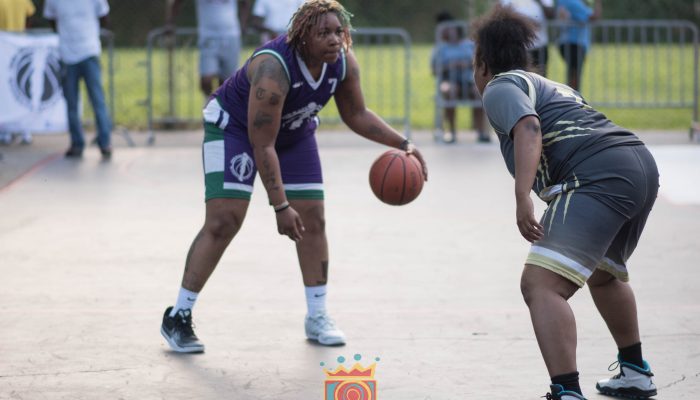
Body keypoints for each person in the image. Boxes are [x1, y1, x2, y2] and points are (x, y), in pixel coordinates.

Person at [160, 0, 428, 353]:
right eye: (324, 33)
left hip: (293, 131)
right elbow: (262, 144)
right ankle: (178, 315)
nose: (335, 40)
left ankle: (317, 314)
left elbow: (357, 114)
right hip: (235, 130)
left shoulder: (342, 62)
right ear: (302, 37)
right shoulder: (274, 69)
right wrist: (280, 205)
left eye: (338, 31)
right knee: (225, 220)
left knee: (314, 219)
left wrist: (404, 143)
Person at [472, 5, 658, 400]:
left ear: (482, 64)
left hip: (601, 174)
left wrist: (522, 195)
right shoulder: (552, 85)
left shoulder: (500, 86)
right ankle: (635, 371)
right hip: (639, 164)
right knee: (604, 274)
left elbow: (529, 128)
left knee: (540, 284)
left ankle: (567, 391)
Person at [43, 0, 113, 159]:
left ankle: (104, 141)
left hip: (89, 51)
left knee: (97, 99)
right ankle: (77, 143)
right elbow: (51, 19)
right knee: (71, 103)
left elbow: (104, 17)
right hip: (67, 55)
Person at [167, 0, 251, 97]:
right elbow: (177, 3)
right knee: (206, 80)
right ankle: (209, 101)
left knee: (227, 81)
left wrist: (243, 23)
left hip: (231, 36)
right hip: (208, 37)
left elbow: (245, 3)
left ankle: (221, 106)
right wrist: (170, 22)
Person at [431, 11, 488, 144]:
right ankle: (451, 132)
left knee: (478, 92)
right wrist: (449, 66)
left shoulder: (469, 45)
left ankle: (481, 131)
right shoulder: (440, 48)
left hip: (469, 81)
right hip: (449, 80)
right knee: (449, 91)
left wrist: (468, 64)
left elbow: (481, 63)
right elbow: (434, 70)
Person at [0, 0, 36, 145]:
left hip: (5, 48)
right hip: (20, 47)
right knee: (21, 88)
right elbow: (30, 15)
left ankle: (8, 130)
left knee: (6, 89)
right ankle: (23, 130)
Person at [499, 0, 555, 76]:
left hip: (539, 48)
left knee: (540, 81)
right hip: (517, 48)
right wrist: (525, 23)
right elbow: (501, 16)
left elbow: (551, 15)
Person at [556, 0, 602, 91]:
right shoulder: (573, 2)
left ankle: (570, 100)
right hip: (574, 44)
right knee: (574, 78)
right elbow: (594, 17)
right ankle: (572, 101)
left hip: (570, 43)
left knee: (573, 76)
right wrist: (598, 2)